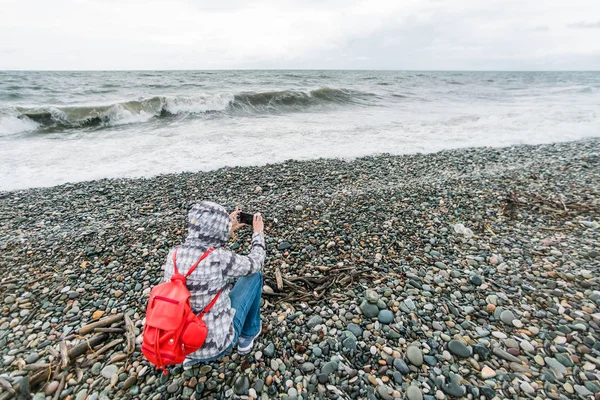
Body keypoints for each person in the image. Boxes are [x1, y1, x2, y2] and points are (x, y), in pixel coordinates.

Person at [162, 201, 266, 366]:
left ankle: (191, 355)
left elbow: (200, 246)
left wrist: (225, 229)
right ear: (218, 229)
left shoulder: (173, 255)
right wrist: (258, 233)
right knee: (254, 275)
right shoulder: (218, 258)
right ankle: (248, 335)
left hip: (181, 343)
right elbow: (256, 262)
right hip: (218, 345)